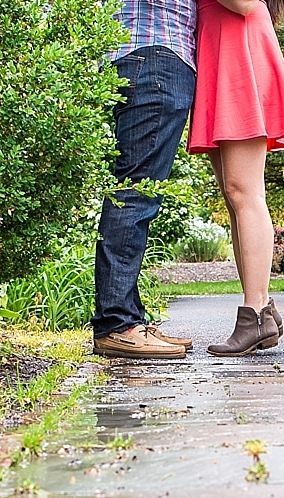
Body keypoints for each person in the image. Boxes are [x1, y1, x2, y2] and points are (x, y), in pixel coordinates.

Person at [188, 0, 284, 356]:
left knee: (245, 193)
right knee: (234, 194)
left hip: (239, 50)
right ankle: (263, 311)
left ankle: (254, 314)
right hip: (223, 49)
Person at [91, 0, 200, 359]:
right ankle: (117, 325)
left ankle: (129, 319)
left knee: (137, 193)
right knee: (135, 194)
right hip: (157, 57)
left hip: (144, 58)